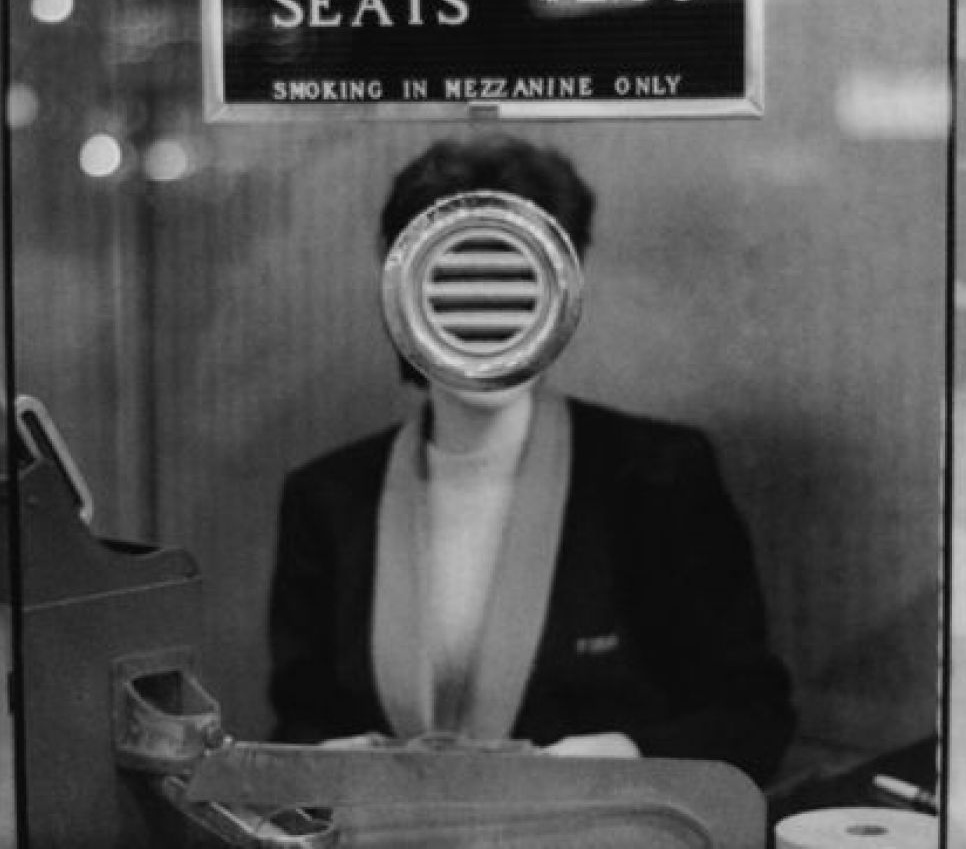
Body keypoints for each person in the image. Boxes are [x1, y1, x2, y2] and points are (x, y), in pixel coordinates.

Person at [267, 134, 794, 786]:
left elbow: (754, 720)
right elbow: (298, 724)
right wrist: (324, 761)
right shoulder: (327, 497)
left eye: (522, 274)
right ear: (402, 287)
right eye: (459, 271)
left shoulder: (657, 477)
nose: (490, 304)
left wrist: (622, 752)